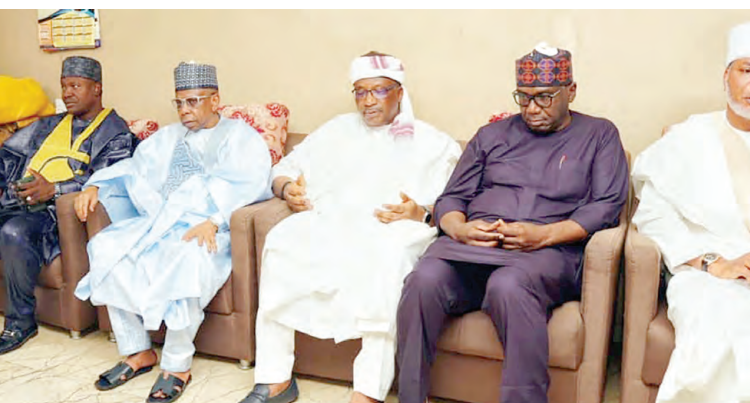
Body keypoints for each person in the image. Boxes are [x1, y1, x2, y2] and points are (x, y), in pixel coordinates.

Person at [396, 43, 629, 403]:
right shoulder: (491, 136)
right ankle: (412, 397)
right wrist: (460, 228)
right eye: (524, 97)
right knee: (423, 279)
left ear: (571, 91)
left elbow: (607, 205)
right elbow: (451, 198)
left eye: (544, 97)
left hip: (547, 252)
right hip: (471, 249)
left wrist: (544, 235)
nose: (532, 108)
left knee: (509, 284)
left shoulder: (599, 135)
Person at [239, 52, 461, 403]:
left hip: (392, 229)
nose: (368, 101)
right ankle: (275, 377)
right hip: (335, 223)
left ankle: (368, 390)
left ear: (399, 92)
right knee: (282, 238)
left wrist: (420, 210)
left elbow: (454, 203)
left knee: (389, 257)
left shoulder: (434, 142)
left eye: (379, 91)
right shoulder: (337, 129)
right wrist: (287, 189)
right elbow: (283, 168)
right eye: (360, 92)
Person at [73, 61, 273, 403]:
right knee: (107, 248)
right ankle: (137, 351)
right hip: (159, 222)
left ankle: (177, 365)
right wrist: (96, 185)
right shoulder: (168, 137)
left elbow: (252, 182)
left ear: (215, 99)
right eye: (179, 103)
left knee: (187, 260)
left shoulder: (241, 136)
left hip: (211, 227)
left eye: (193, 101)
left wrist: (214, 220)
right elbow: (134, 168)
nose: (185, 111)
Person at [631, 22, 750, 403]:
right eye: (747, 71)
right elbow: (653, 215)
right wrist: (713, 262)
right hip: (708, 274)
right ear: (726, 76)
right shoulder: (690, 138)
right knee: (721, 325)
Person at [0, 56, 135, 355]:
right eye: (64, 86)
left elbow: (109, 179)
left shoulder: (116, 133)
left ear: (97, 89)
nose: (67, 93)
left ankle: (20, 322)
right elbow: (8, 156)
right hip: (17, 200)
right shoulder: (50, 124)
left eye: (75, 86)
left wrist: (54, 189)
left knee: (14, 232)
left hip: (52, 215)